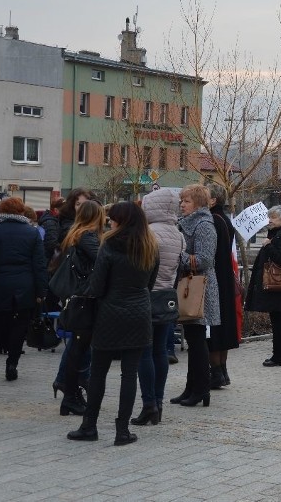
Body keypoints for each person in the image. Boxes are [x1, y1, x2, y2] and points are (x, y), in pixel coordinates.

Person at [66, 202, 158, 446]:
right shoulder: (150, 246)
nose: (109, 221)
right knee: (129, 374)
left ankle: (89, 425)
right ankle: (122, 430)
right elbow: (150, 283)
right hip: (139, 313)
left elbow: (96, 286)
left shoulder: (108, 245)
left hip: (109, 313)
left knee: (98, 372)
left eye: (113, 218)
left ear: (122, 220)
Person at [131, 188, 185, 426]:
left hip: (146, 296)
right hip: (167, 297)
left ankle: (148, 403)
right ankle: (159, 404)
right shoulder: (178, 234)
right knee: (161, 352)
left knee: (144, 353)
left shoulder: (148, 233)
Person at [0, 197, 48, 383]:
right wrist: (41, 291)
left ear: (1, 212)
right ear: (21, 212)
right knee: (19, 327)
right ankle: (12, 366)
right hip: (24, 285)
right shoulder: (32, 233)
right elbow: (39, 265)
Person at [170, 184, 220, 408]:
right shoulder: (187, 223)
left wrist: (177, 256)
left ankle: (200, 389)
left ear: (198, 203)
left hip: (199, 289)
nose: (182, 204)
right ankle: (192, 388)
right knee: (193, 339)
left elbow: (205, 259)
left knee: (198, 341)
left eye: (187, 201)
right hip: (189, 287)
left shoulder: (204, 224)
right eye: (181, 200)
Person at [53, 201, 104, 417]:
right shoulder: (87, 236)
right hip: (85, 298)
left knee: (78, 349)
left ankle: (70, 395)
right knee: (79, 349)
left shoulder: (77, 233)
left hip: (79, 297)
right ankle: (70, 396)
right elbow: (102, 260)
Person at [245, 205, 281, 366]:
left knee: (279, 323)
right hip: (278, 288)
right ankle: (278, 355)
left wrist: (268, 246)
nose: (269, 220)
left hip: (279, 288)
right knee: (277, 322)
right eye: (269, 217)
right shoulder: (278, 235)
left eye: (273, 217)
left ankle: (280, 357)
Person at [205, 183, 239, 388]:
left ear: (213, 200)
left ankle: (216, 373)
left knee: (214, 329)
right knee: (224, 326)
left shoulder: (212, 220)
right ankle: (222, 371)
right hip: (225, 279)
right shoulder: (225, 220)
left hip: (215, 279)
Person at [38, 198, 64, 265]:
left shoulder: (50, 220)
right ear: (56, 210)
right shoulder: (50, 222)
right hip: (49, 260)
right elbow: (52, 243)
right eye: (63, 210)